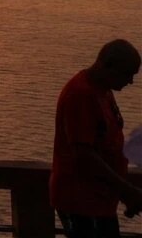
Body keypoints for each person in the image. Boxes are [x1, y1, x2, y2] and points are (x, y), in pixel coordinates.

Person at [50, 40, 142, 238]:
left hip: (100, 201)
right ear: (108, 64)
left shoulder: (103, 90)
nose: (131, 81)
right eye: (128, 74)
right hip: (81, 202)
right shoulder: (81, 94)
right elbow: (83, 155)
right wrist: (126, 190)